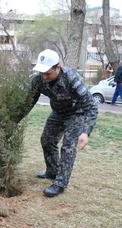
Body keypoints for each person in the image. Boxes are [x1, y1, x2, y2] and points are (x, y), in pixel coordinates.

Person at [17, 49, 98, 197]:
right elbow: (29, 102)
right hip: (58, 112)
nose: (44, 77)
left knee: (68, 146)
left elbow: (91, 107)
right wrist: (15, 120)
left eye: (48, 73)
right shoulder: (39, 79)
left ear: (58, 67)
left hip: (76, 113)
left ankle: (60, 183)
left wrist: (86, 132)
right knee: (47, 140)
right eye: (42, 73)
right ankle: (52, 172)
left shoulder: (71, 78)